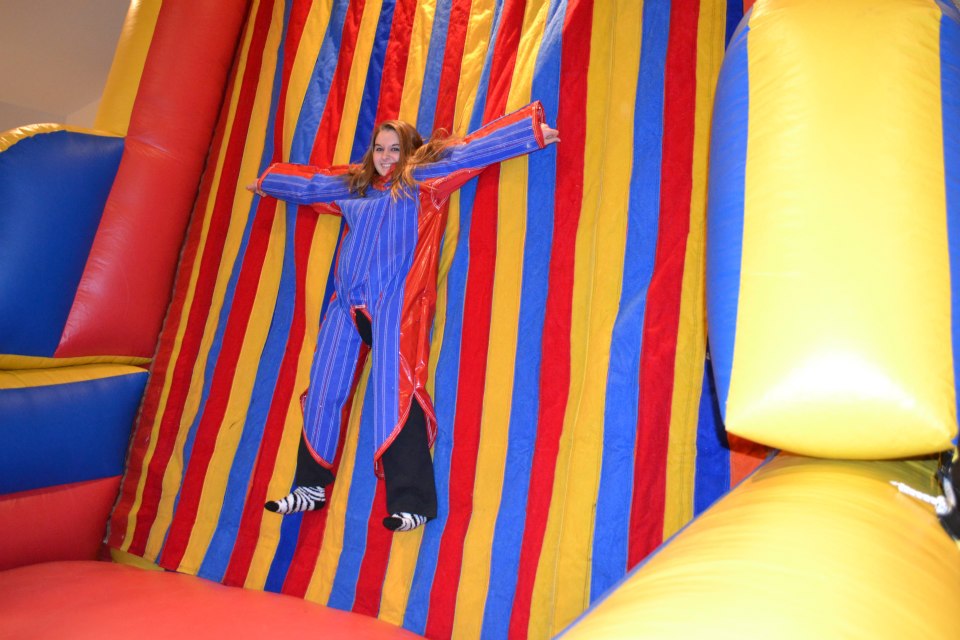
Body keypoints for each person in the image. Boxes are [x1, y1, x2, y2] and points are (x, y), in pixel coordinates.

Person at [249, 102, 559, 532]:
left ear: (410, 151)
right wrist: (268, 182)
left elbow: (468, 153)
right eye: (380, 149)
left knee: (397, 390)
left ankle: (411, 502)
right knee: (323, 387)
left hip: (395, 305)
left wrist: (530, 132)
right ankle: (311, 486)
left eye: (395, 149)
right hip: (347, 305)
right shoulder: (355, 188)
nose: (386, 157)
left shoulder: (421, 182)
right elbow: (314, 184)